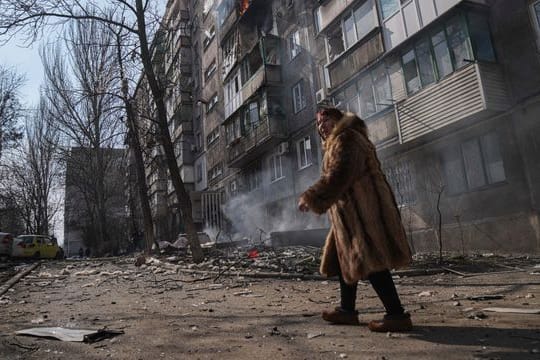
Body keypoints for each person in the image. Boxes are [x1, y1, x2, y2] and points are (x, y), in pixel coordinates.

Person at [298, 106, 413, 332]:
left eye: (326, 120)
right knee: (344, 259)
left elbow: (340, 174)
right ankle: (347, 311)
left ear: (338, 120)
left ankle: (397, 315)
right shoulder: (338, 142)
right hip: (351, 215)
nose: (322, 127)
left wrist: (312, 197)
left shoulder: (347, 138)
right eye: (319, 124)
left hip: (365, 212)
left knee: (372, 260)